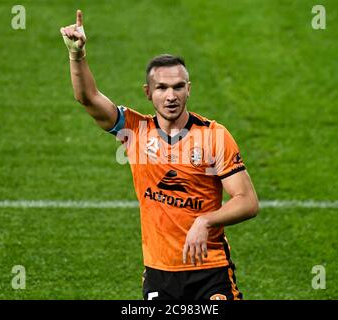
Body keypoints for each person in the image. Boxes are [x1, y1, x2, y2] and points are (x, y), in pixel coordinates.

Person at [60, 10, 259, 300]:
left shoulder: (214, 136)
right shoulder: (135, 131)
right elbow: (87, 98)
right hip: (159, 273)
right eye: (162, 88)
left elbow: (247, 202)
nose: (171, 96)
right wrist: (77, 56)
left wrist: (205, 221)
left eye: (178, 87)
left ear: (189, 90)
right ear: (147, 92)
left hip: (210, 271)